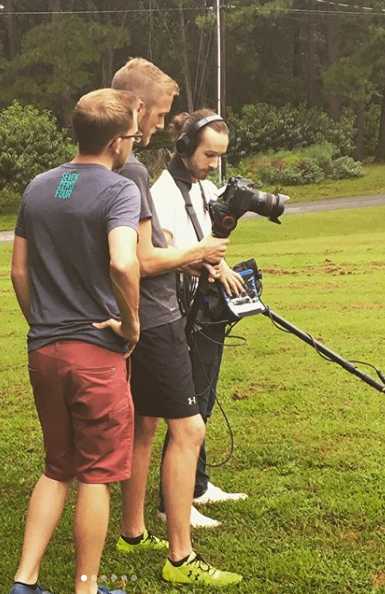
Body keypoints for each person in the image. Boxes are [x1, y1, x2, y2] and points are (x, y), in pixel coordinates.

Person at [111, 58, 242, 586]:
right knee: (188, 429)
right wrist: (197, 253)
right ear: (138, 108)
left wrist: (182, 258)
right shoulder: (134, 172)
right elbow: (139, 260)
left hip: (134, 316)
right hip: (156, 318)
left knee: (144, 425)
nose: (163, 124)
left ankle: (133, 531)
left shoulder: (91, 169)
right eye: (162, 114)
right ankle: (181, 558)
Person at [9, 88, 143, 594]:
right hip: (96, 354)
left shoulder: (39, 187)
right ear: (115, 142)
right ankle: (86, 588)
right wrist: (131, 326)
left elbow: (19, 271)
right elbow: (124, 262)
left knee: (56, 467)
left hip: (43, 351)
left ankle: (25, 582)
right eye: (133, 137)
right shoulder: (119, 190)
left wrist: (44, 321)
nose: (133, 145)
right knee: (96, 475)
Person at [151, 109, 249, 530]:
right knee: (186, 407)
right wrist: (204, 262)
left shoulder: (204, 187)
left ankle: (197, 485)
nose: (214, 164)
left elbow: (209, 243)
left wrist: (221, 267)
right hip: (178, 312)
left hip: (207, 308)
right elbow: (163, 256)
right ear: (185, 146)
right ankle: (170, 502)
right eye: (209, 155)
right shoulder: (162, 195)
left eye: (220, 156)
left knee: (203, 399)